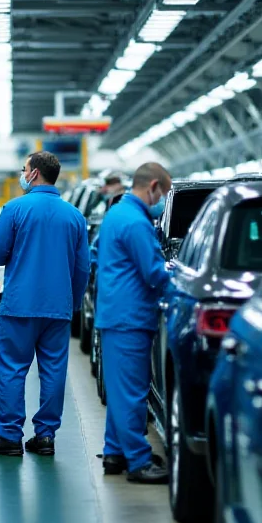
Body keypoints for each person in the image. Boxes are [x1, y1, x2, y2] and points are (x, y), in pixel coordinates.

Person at [0, 151, 89, 457]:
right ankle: (46, 436)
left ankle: (9, 436)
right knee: (53, 371)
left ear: (35, 173)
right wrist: (73, 303)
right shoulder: (74, 216)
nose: (22, 173)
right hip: (58, 309)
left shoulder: (14, 209)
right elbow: (83, 268)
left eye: (24, 169)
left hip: (19, 306)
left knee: (12, 369)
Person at [95, 162, 173, 484]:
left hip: (116, 314)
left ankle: (115, 453)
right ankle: (139, 462)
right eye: (162, 194)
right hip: (130, 316)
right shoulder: (137, 223)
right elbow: (154, 272)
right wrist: (181, 286)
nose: (160, 202)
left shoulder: (117, 214)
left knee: (120, 388)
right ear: (152, 186)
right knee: (132, 391)